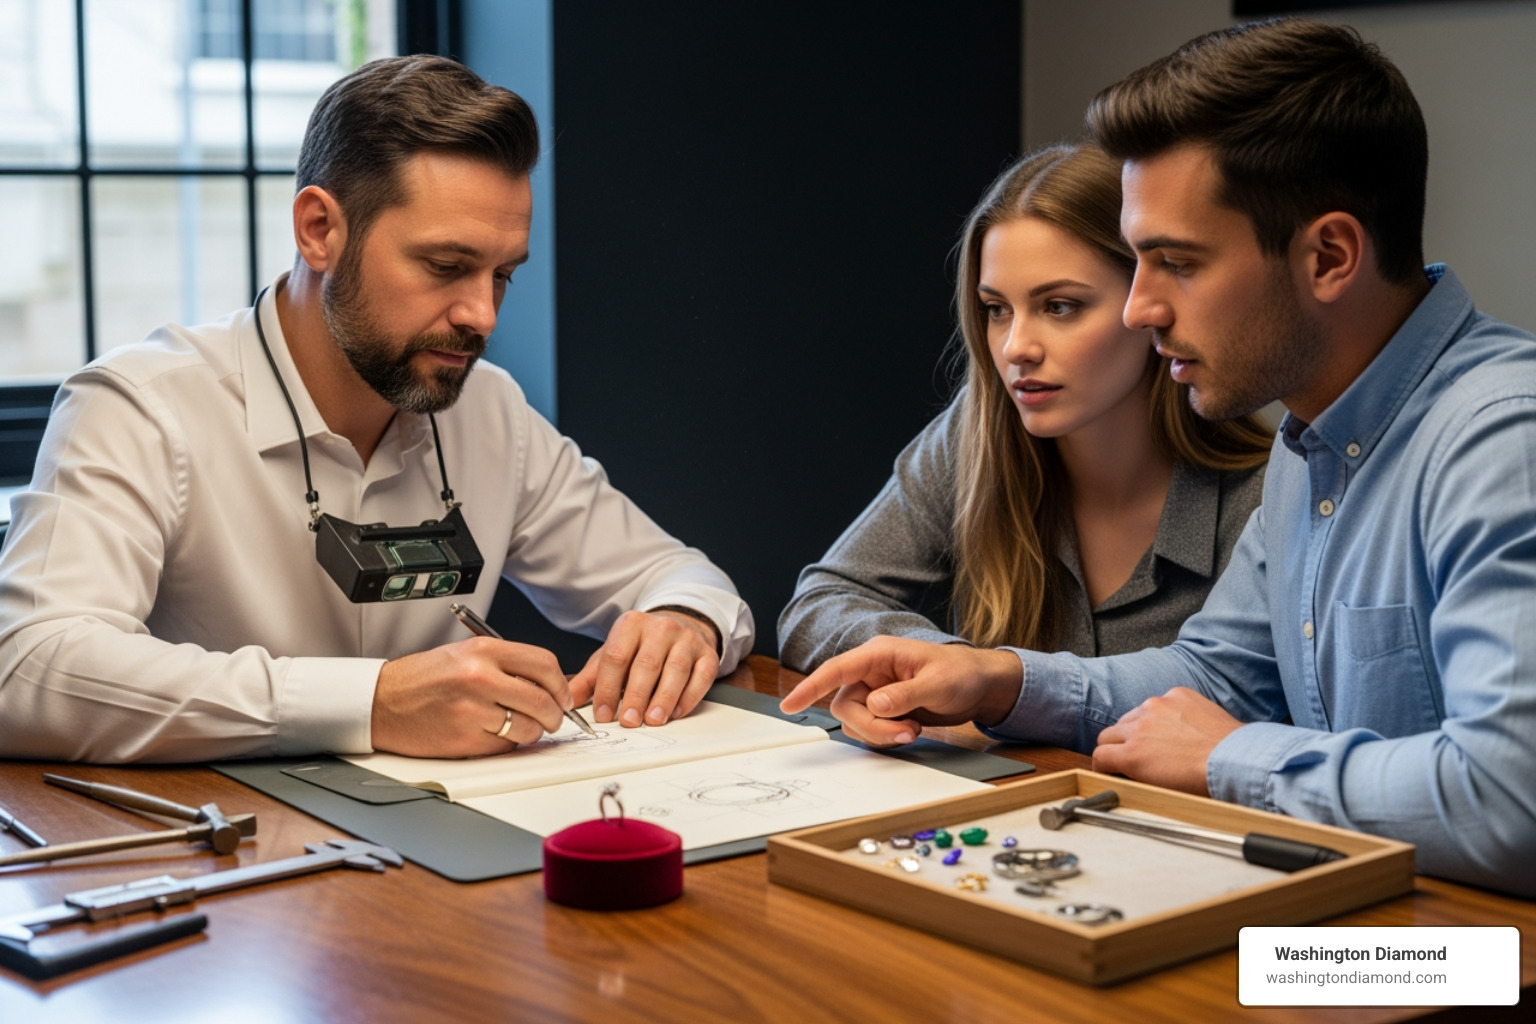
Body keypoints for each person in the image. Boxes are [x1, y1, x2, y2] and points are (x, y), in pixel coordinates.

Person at [781, 19, 1536, 897]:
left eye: (1175, 263)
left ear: (1329, 255)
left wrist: (1231, 760)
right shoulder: (1315, 438)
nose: (1141, 310)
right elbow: (1214, 672)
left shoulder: (1502, 439)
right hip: (1365, 931)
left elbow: (1511, 802)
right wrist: (999, 679)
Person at [0, 56, 753, 764]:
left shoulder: (488, 411)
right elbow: (26, 666)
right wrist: (373, 703)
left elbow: (682, 576)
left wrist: (684, 624)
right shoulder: (142, 406)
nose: (482, 315)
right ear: (320, 230)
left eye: (502, 276)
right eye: (446, 267)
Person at [778, 144, 1270, 673]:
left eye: (1060, 306)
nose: (1016, 347)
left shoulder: (1266, 493)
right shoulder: (976, 435)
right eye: (997, 309)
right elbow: (820, 604)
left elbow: (1236, 695)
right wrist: (947, 664)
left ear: (1148, 304)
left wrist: (997, 682)